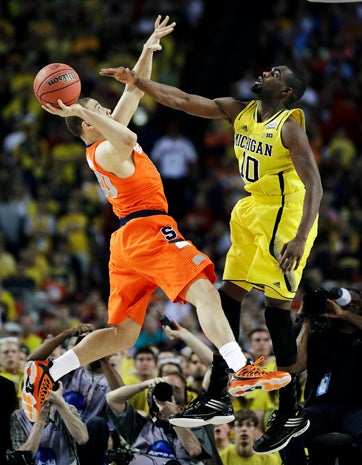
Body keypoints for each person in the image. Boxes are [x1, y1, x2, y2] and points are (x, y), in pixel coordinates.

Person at [22, 15, 291, 429]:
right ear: (87, 125)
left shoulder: (104, 141)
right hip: (148, 231)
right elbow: (127, 137)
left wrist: (147, 50)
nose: (107, 109)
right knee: (204, 289)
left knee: (122, 335)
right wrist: (76, 107)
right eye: (97, 110)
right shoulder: (107, 149)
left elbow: (133, 92)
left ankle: (47, 372)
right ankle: (239, 368)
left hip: (127, 240)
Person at [101, 60, 323, 453]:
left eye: (275, 74)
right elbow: (185, 101)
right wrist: (139, 82)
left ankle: (291, 409)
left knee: (276, 310)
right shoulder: (242, 110)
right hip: (252, 210)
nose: (266, 73)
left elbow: (315, 186)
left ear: (286, 92)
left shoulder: (289, 125)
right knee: (228, 295)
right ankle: (218, 393)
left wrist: (300, 237)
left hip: (286, 216)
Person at [280, 287, 362, 465]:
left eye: (356, 303)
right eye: (350, 303)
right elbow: (297, 367)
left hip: (356, 409)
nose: (352, 305)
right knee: (286, 429)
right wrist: (306, 323)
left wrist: (345, 315)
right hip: (320, 408)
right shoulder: (319, 333)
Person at [105, 372, 213, 464]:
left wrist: (172, 417)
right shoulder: (140, 426)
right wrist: (143, 385)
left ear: (180, 408)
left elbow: (194, 450)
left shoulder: (192, 426)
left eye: (174, 389)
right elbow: (112, 398)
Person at [10, 381, 88, 465]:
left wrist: (60, 404)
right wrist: (40, 420)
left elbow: (82, 439)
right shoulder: (18, 417)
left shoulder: (67, 409)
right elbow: (22, 458)